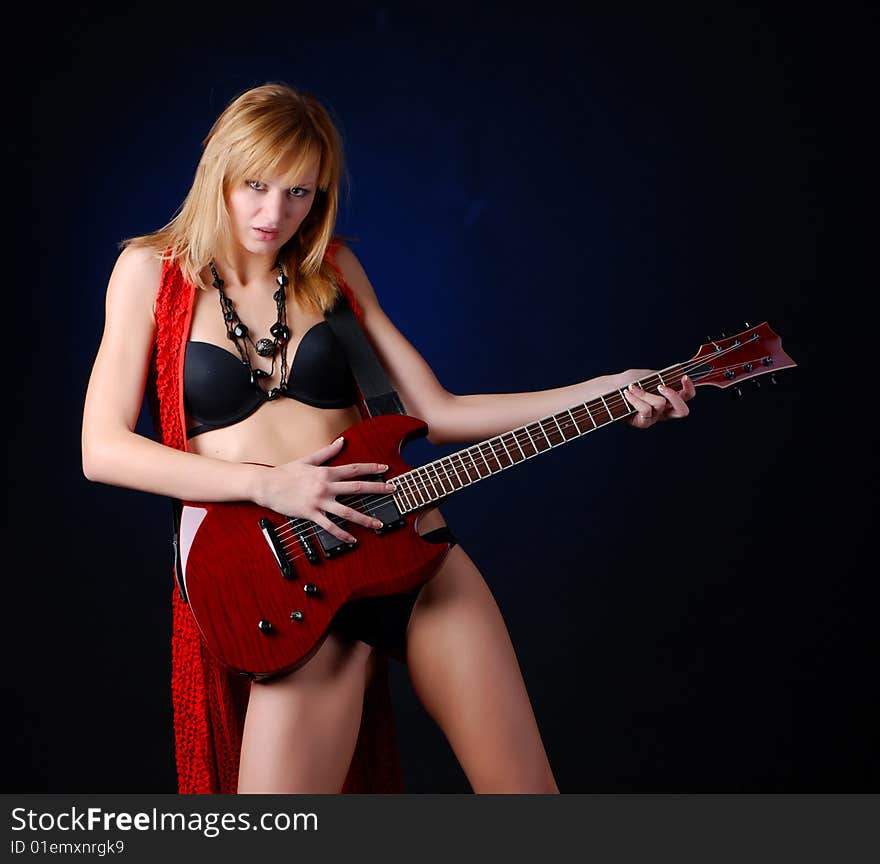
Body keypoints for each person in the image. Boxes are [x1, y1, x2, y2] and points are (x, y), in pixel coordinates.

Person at [81, 81, 696, 795]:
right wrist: (265, 483)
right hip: (288, 583)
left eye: (300, 193)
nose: (274, 213)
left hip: (411, 550)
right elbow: (103, 448)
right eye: (255, 185)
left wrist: (610, 390)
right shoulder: (149, 273)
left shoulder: (331, 271)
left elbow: (436, 409)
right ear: (218, 168)